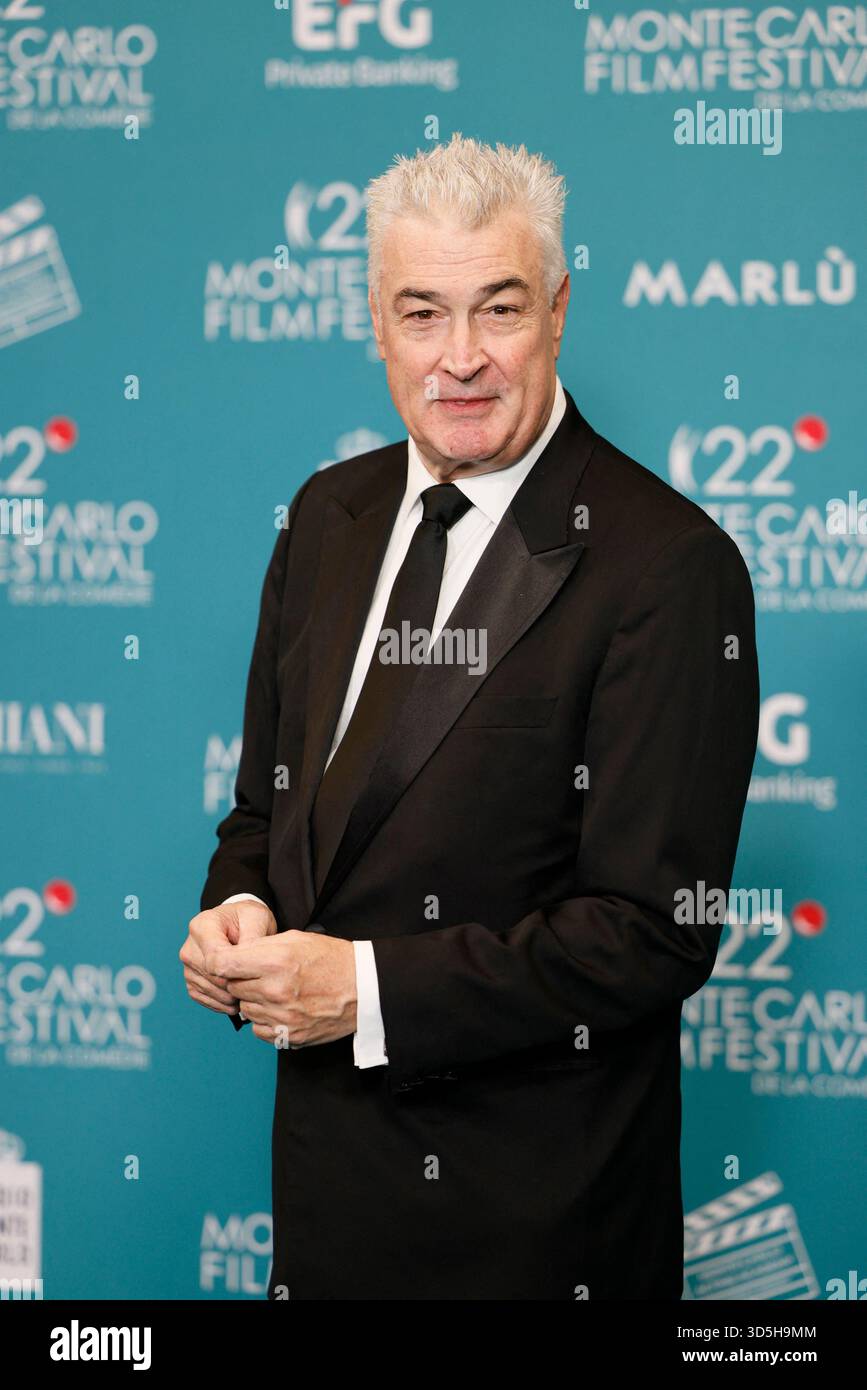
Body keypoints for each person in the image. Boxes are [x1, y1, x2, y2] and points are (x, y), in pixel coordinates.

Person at [180, 133, 759, 1300]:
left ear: (557, 308)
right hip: (328, 1208)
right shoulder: (326, 514)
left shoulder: (669, 564)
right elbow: (268, 809)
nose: (460, 360)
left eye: (497, 310)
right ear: (374, 323)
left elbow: (652, 930)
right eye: (421, 312)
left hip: (541, 1235)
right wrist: (238, 906)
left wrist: (368, 990)